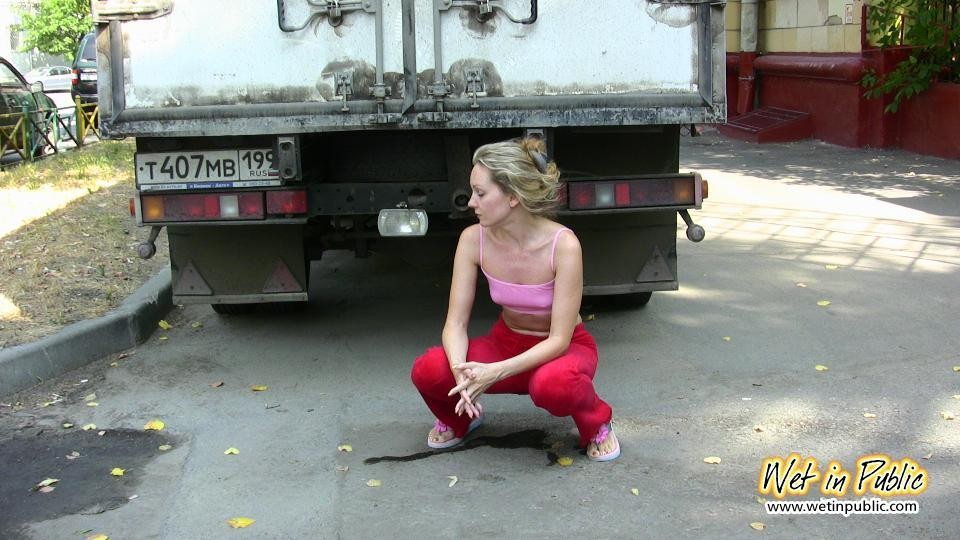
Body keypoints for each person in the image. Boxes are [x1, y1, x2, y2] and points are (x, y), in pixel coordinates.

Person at [410, 137, 619, 462]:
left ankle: (596, 422)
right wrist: (461, 374)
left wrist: (495, 372)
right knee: (429, 370)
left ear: (512, 197)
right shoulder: (472, 240)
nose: (471, 203)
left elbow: (560, 339)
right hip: (504, 343)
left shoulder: (563, 245)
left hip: (560, 348)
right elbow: (456, 323)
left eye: (481, 193)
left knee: (554, 385)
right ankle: (462, 417)